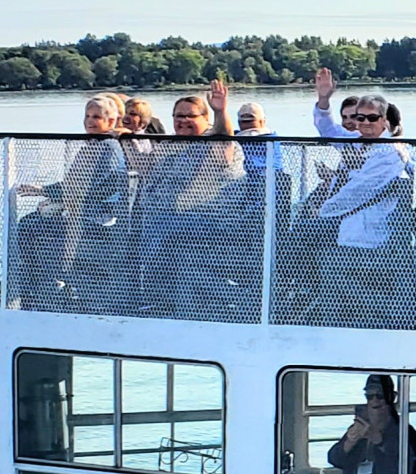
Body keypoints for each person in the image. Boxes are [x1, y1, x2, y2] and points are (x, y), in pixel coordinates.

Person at [137, 81, 246, 315]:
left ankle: (152, 296)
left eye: (190, 116)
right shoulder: (172, 148)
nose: (182, 120)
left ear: (205, 119)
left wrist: (220, 111)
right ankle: (156, 298)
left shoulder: (214, 144)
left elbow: (224, 137)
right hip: (173, 223)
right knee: (147, 227)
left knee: (161, 227)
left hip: (212, 222)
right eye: (178, 116)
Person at [16, 95, 131, 313]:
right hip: (81, 213)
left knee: (30, 227)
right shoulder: (92, 145)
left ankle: (48, 285)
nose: (89, 121)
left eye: (96, 117)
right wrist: (43, 191)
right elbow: (74, 184)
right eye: (87, 116)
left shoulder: (107, 147)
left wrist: (48, 193)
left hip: (97, 219)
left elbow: (95, 188)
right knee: (30, 222)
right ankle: (46, 282)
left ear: (110, 121)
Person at [314, 90, 414, 326]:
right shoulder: (356, 143)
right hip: (345, 228)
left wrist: (322, 211)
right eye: (360, 118)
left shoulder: (390, 151)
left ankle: (381, 317)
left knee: (311, 248)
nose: (365, 123)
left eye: (372, 118)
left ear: (384, 120)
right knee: (293, 244)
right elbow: (327, 129)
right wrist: (324, 100)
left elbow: (359, 190)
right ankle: (309, 306)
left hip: (376, 234)